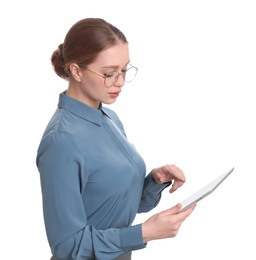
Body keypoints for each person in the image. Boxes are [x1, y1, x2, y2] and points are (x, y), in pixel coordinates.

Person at [36, 18, 196, 260]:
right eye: (109, 74)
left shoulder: (109, 118)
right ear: (76, 70)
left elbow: (115, 206)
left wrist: (154, 181)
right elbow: (67, 246)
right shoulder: (62, 140)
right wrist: (142, 233)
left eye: (124, 70)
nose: (120, 82)